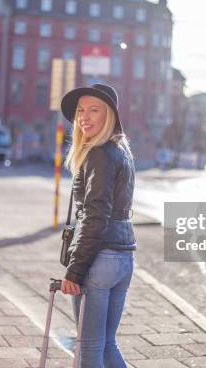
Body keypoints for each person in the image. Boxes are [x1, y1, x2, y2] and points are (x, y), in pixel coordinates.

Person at [60, 83, 136, 367]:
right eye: (81, 111)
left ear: (110, 116)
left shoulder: (100, 153)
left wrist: (76, 269)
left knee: (89, 348)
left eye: (94, 110)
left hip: (100, 258)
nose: (84, 117)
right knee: (106, 345)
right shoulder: (121, 151)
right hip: (123, 255)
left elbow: (95, 215)